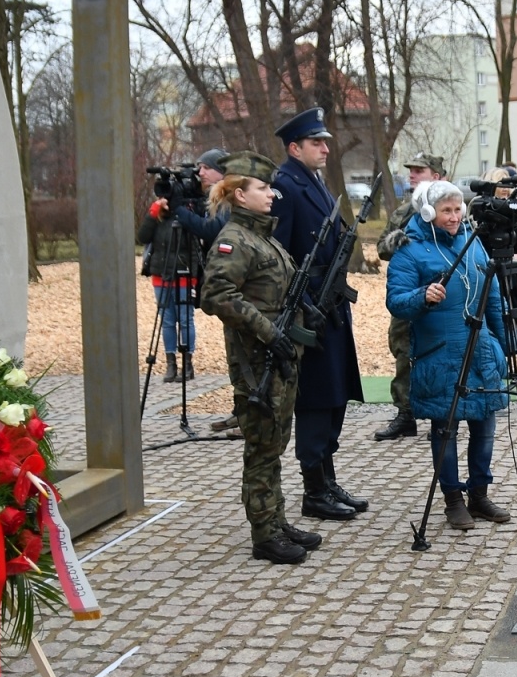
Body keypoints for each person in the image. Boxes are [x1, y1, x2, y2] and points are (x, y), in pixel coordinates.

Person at [198, 153, 323, 565]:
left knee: (275, 443)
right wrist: (270, 331)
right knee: (262, 447)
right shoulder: (234, 239)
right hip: (257, 360)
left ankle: (276, 520)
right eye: (263, 188)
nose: (272, 194)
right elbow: (216, 295)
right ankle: (264, 534)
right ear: (240, 194)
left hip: (279, 356)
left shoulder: (262, 236)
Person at [386, 181, 512, 530]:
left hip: (481, 353)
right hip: (440, 355)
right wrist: (422, 296)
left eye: (458, 210)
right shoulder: (409, 251)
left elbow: (494, 298)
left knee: (485, 428)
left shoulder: (473, 244)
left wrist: (504, 345)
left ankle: (480, 495)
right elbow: (396, 301)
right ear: (428, 212)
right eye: (446, 211)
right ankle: (453, 500)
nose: (455, 217)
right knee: (445, 432)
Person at [271, 107, 367, 521]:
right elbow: (281, 253)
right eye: (317, 142)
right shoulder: (285, 186)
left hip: (331, 308)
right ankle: (314, 491)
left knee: (334, 397)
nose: (325, 148)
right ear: (295, 148)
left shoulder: (313, 180)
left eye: (325, 141)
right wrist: (307, 301)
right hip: (311, 311)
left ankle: (327, 480)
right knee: (315, 400)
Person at [373, 153, 448, 440]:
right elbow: (382, 249)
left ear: (437, 176)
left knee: (440, 354)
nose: (412, 176)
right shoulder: (404, 213)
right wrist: (401, 240)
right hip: (408, 294)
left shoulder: (450, 209)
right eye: (411, 171)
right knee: (404, 352)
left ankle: (440, 417)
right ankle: (405, 414)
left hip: (440, 298)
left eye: (420, 171)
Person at [138, 183, 205, 383]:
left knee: (185, 319)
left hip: (184, 274)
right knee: (167, 321)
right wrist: (153, 213)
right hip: (161, 274)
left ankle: (187, 363)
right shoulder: (157, 217)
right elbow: (142, 237)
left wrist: (193, 274)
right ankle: (170, 363)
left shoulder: (185, 215)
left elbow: (195, 245)